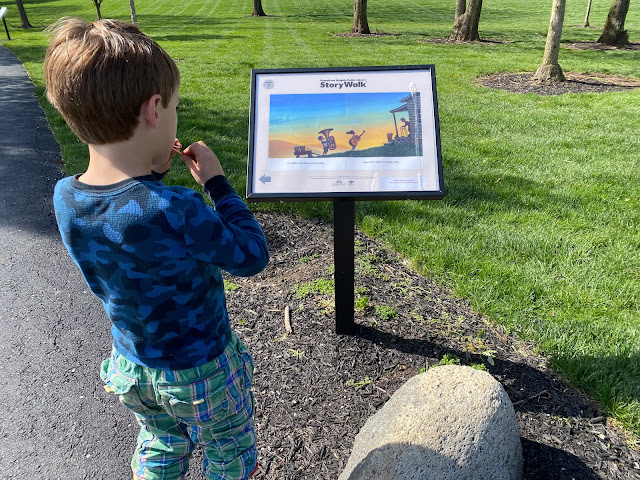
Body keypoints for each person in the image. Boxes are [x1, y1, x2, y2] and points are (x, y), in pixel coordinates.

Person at [45, 18, 269, 480]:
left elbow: (129, 214)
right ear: (154, 109)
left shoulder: (66, 197)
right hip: (201, 371)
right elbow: (251, 254)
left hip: (133, 367)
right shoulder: (177, 207)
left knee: (161, 444)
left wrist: (154, 170)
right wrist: (217, 184)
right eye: (174, 108)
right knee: (228, 451)